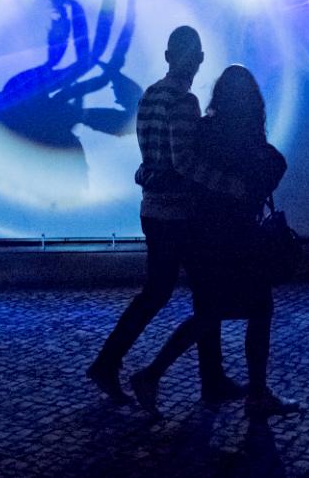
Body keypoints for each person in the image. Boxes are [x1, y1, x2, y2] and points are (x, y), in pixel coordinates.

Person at [128, 64, 301, 418]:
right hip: (238, 239)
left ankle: (155, 375)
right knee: (258, 309)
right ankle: (255, 395)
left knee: (209, 313)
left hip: (202, 235)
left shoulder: (204, 131)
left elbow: (185, 168)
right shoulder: (249, 141)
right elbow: (266, 173)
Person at [87, 26, 247, 404]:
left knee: (158, 293)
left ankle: (109, 363)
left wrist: (148, 175)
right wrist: (230, 185)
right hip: (179, 216)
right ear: (199, 59)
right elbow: (183, 162)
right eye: (196, 56)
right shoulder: (184, 102)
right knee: (206, 295)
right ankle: (204, 379)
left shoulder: (149, 96)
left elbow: (152, 159)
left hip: (153, 211)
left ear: (167, 56)